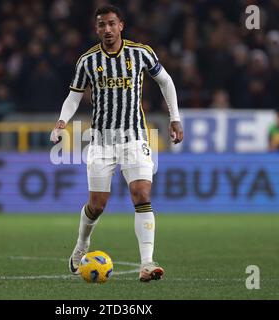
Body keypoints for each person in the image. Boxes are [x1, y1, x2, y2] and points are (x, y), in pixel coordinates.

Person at [50, 5, 183, 282]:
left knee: (141, 194)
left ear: (121, 25)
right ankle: (82, 244)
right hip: (101, 140)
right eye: (101, 25)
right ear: (96, 28)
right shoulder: (87, 61)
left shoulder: (141, 52)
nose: (107, 30)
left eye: (111, 23)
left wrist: (175, 118)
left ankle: (147, 263)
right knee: (97, 205)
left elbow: (166, 81)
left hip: (135, 137)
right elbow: (74, 96)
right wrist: (62, 122)